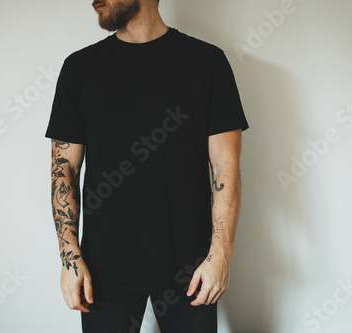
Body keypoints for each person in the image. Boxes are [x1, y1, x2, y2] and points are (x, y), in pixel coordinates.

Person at [44, 0, 249, 332]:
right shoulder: (80, 68)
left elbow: (226, 166)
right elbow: (63, 168)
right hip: (102, 270)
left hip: (191, 268)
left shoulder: (207, 63)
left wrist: (220, 256)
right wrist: (69, 258)